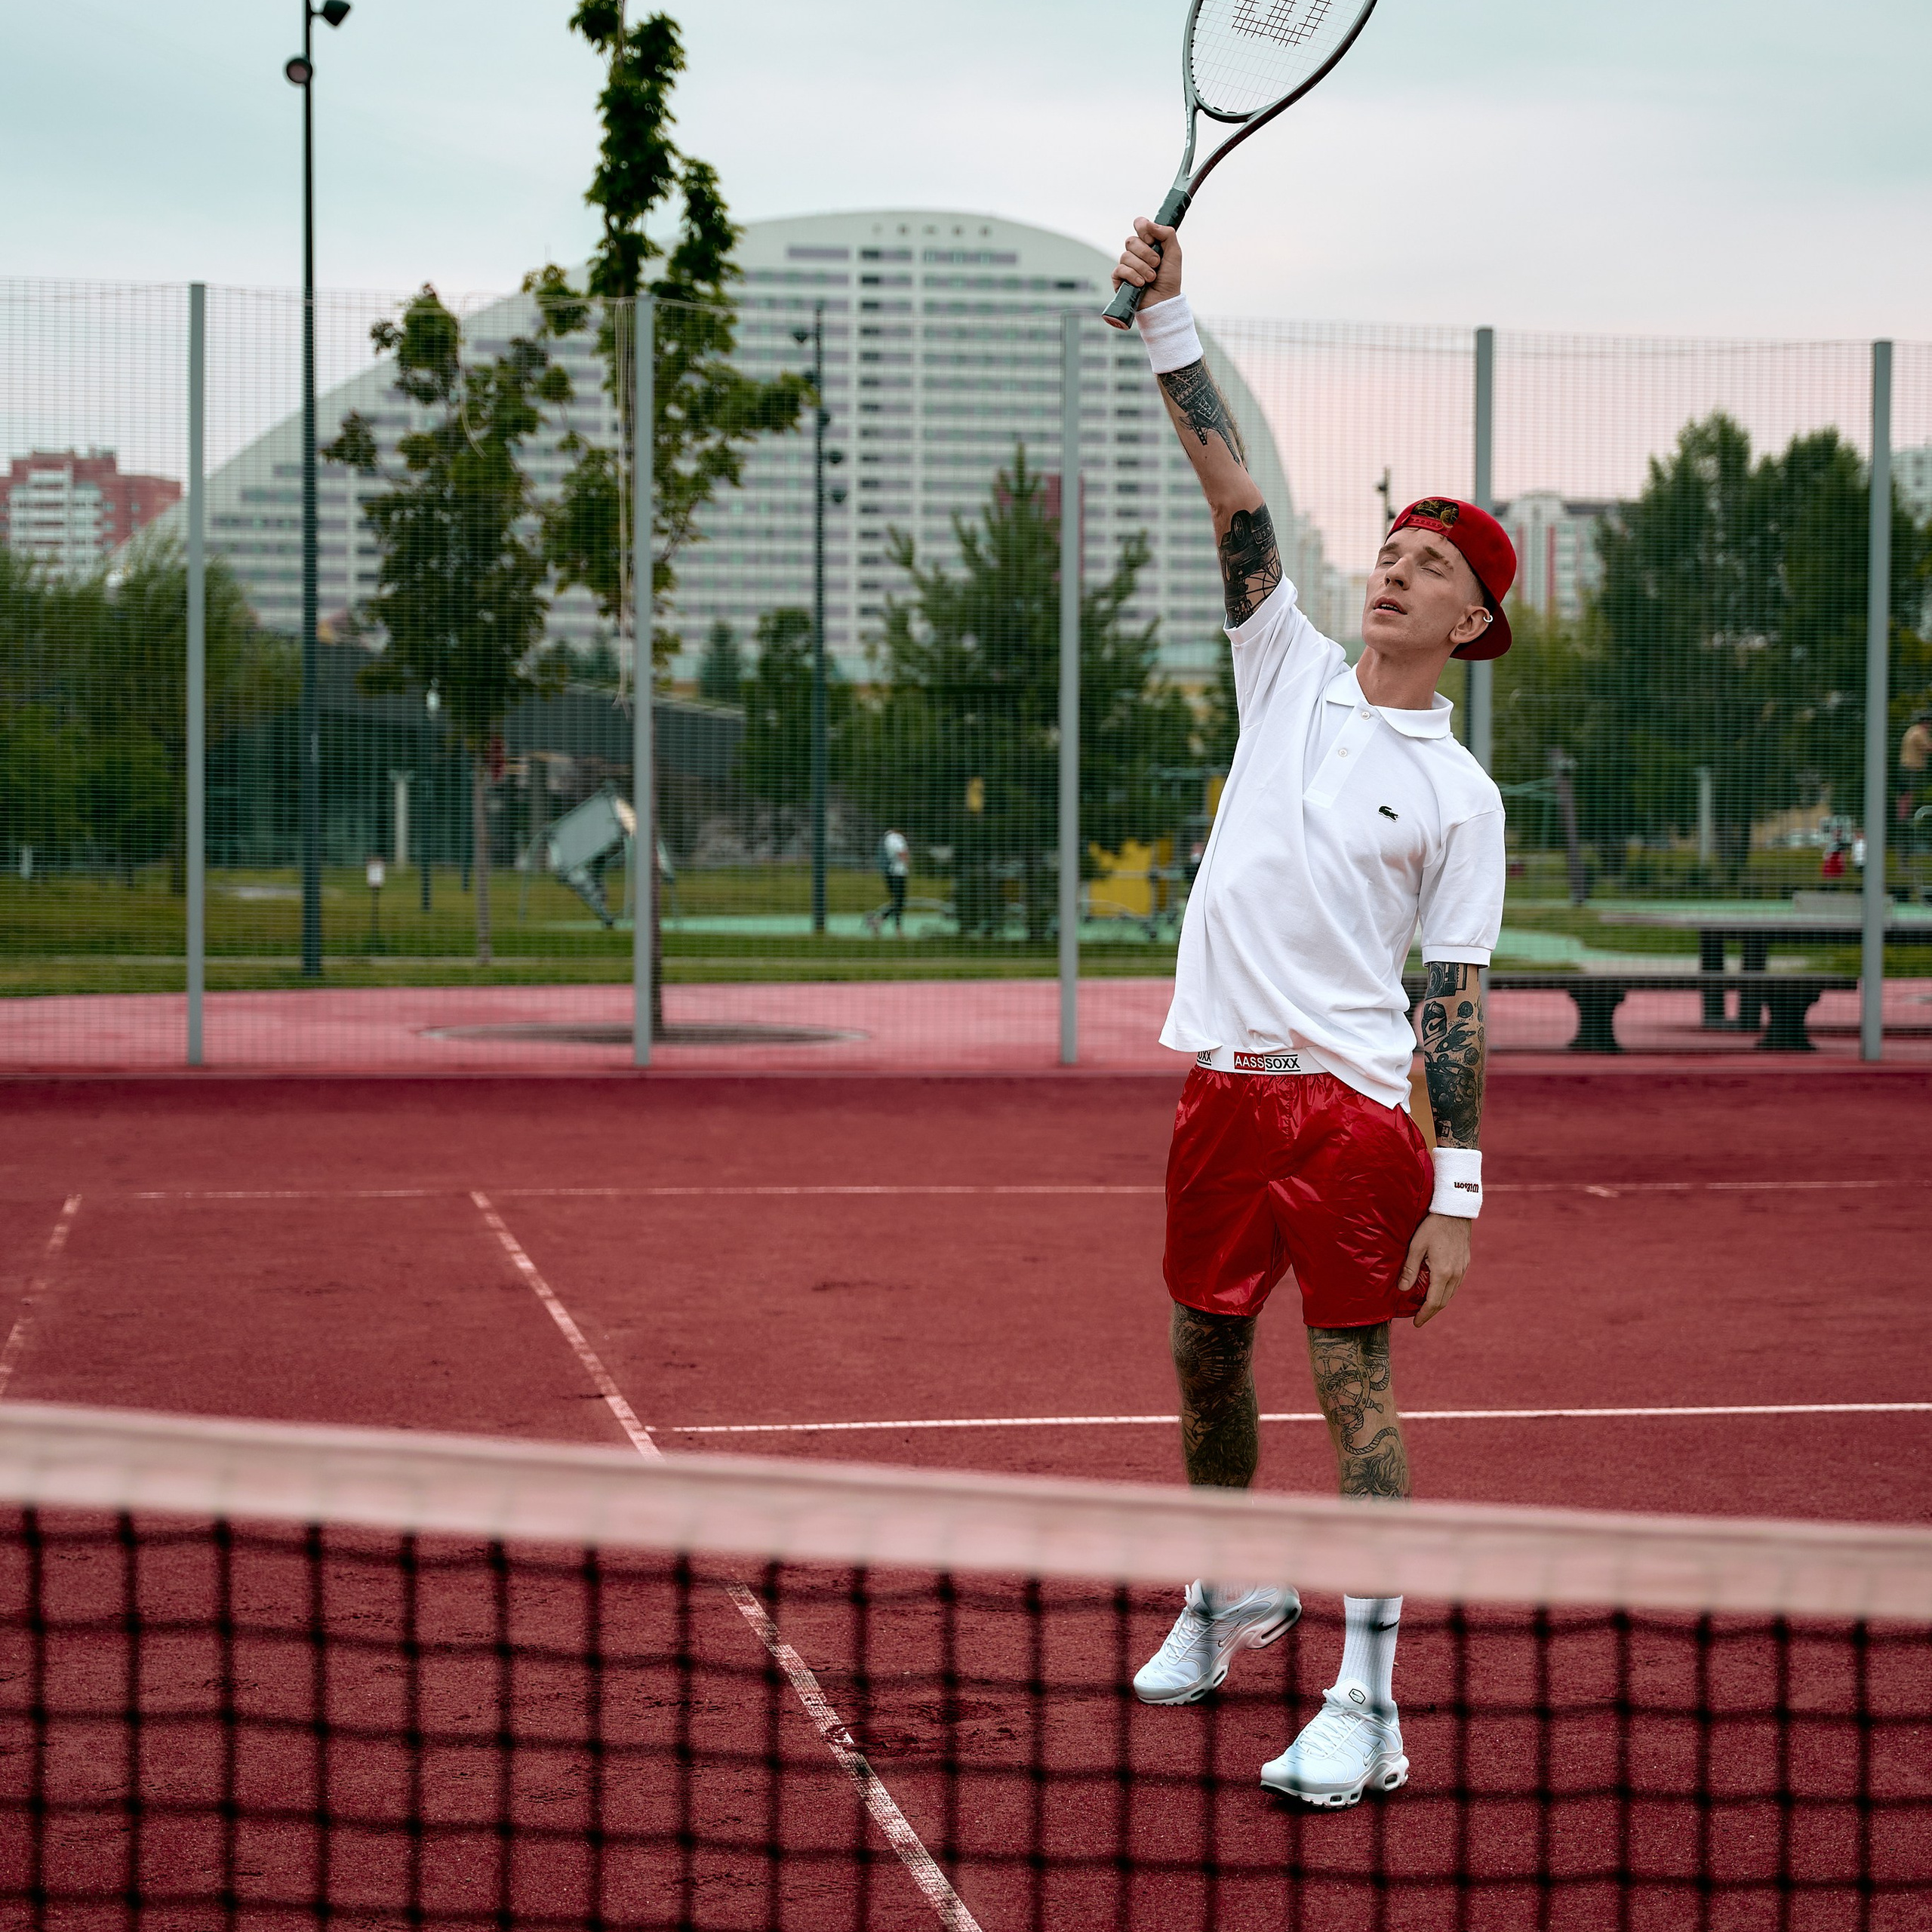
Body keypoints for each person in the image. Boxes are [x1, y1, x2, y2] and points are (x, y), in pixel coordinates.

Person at [1111, 217, 1511, 1809]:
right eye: (1390, 548)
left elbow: (1456, 1002)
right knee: (1202, 1355)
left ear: (1470, 622)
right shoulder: (1280, 667)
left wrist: (1459, 1198)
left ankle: (1366, 1696)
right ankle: (1229, 1589)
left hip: (1348, 1110)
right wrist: (1165, 316)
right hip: (1219, 1089)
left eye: (1425, 564)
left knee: (1352, 1385)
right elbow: (1234, 494)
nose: (1390, 568)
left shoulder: (1460, 795)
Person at [878, 827, 911, 933]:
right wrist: (907, 865)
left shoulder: (886, 837)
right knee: (899, 901)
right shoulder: (896, 837)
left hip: (889, 873)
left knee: (897, 901)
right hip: (898, 873)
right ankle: (896, 927)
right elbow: (902, 853)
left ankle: (880, 921)